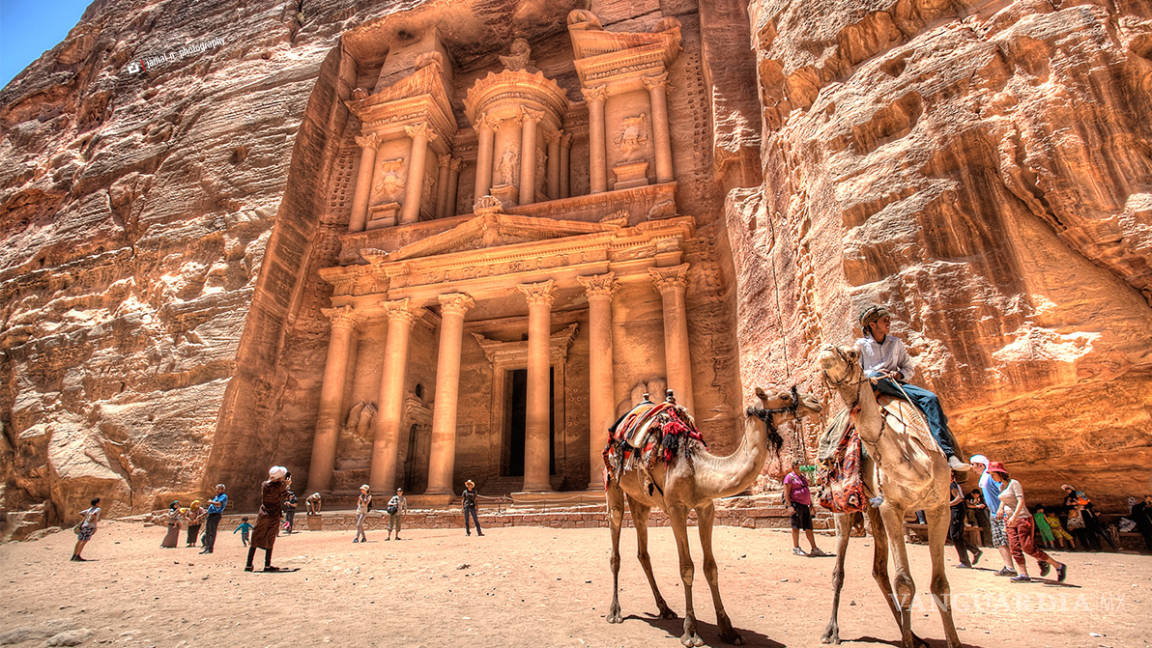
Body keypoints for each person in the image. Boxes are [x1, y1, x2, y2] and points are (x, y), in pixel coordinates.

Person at [856, 305, 968, 471]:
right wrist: (875, 373)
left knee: (930, 398)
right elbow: (857, 373)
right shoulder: (860, 346)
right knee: (870, 382)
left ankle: (949, 454)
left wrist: (898, 375)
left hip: (895, 384)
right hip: (872, 386)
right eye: (884, 320)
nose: (888, 322)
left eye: (888, 319)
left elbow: (908, 368)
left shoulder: (896, 343)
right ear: (872, 324)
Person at [988, 462, 1067, 583]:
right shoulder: (1002, 487)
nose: (991, 477)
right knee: (1014, 548)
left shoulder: (1014, 483)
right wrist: (1000, 508)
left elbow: (1021, 500)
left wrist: (1015, 516)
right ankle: (1023, 574)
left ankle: (1057, 565)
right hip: (1009, 520)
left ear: (1000, 473)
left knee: (1027, 547)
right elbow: (1004, 499)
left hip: (1022, 518)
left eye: (993, 474)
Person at [970, 455, 1016, 575]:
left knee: (1012, 541)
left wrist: (1001, 508)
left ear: (981, 465)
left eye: (973, 464)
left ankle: (1042, 561)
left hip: (1003, 513)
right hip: (994, 513)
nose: (971, 467)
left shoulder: (991, 477)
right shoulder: (985, 478)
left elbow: (1004, 491)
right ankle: (1009, 567)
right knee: (999, 541)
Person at [246, 466, 290, 572]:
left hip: (263, 513)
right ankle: (267, 565)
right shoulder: (280, 487)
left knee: (256, 537)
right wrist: (287, 486)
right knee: (270, 538)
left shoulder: (264, 485)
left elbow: (272, 485)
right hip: (274, 514)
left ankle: (248, 564)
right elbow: (285, 496)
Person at [784, 458, 827, 557]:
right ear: (795, 467)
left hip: (805, 505)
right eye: (800, 465)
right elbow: (786, 493)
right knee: (795, 527)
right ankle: (796, 548)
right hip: (796, 504)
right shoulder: (789, 477)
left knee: (809, 527)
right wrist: (789, 506)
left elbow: (807, 491)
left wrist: (811, 505)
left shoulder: (803, 477)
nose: (803, 467)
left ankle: (814, 548)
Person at [949, 473, 981, 567]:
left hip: (956, 511)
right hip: (957, 511)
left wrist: (948, 504)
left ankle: (965, 561)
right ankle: (974, 551)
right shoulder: (954, 484)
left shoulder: (952, 485)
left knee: (955, 536)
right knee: (954, 536)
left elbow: (960, 498)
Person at [202, 483, 227, 554]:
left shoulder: (223, 496)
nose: (216, 490)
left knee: (212, 532)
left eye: (218, 489)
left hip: (216, 515)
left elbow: (219, 504)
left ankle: (210, 549)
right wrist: (205, 513)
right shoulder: (216, 497)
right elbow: (211, 507)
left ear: (222, 489)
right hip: (211, 515)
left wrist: (211, 502)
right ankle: (206, 548)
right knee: (207, 532)